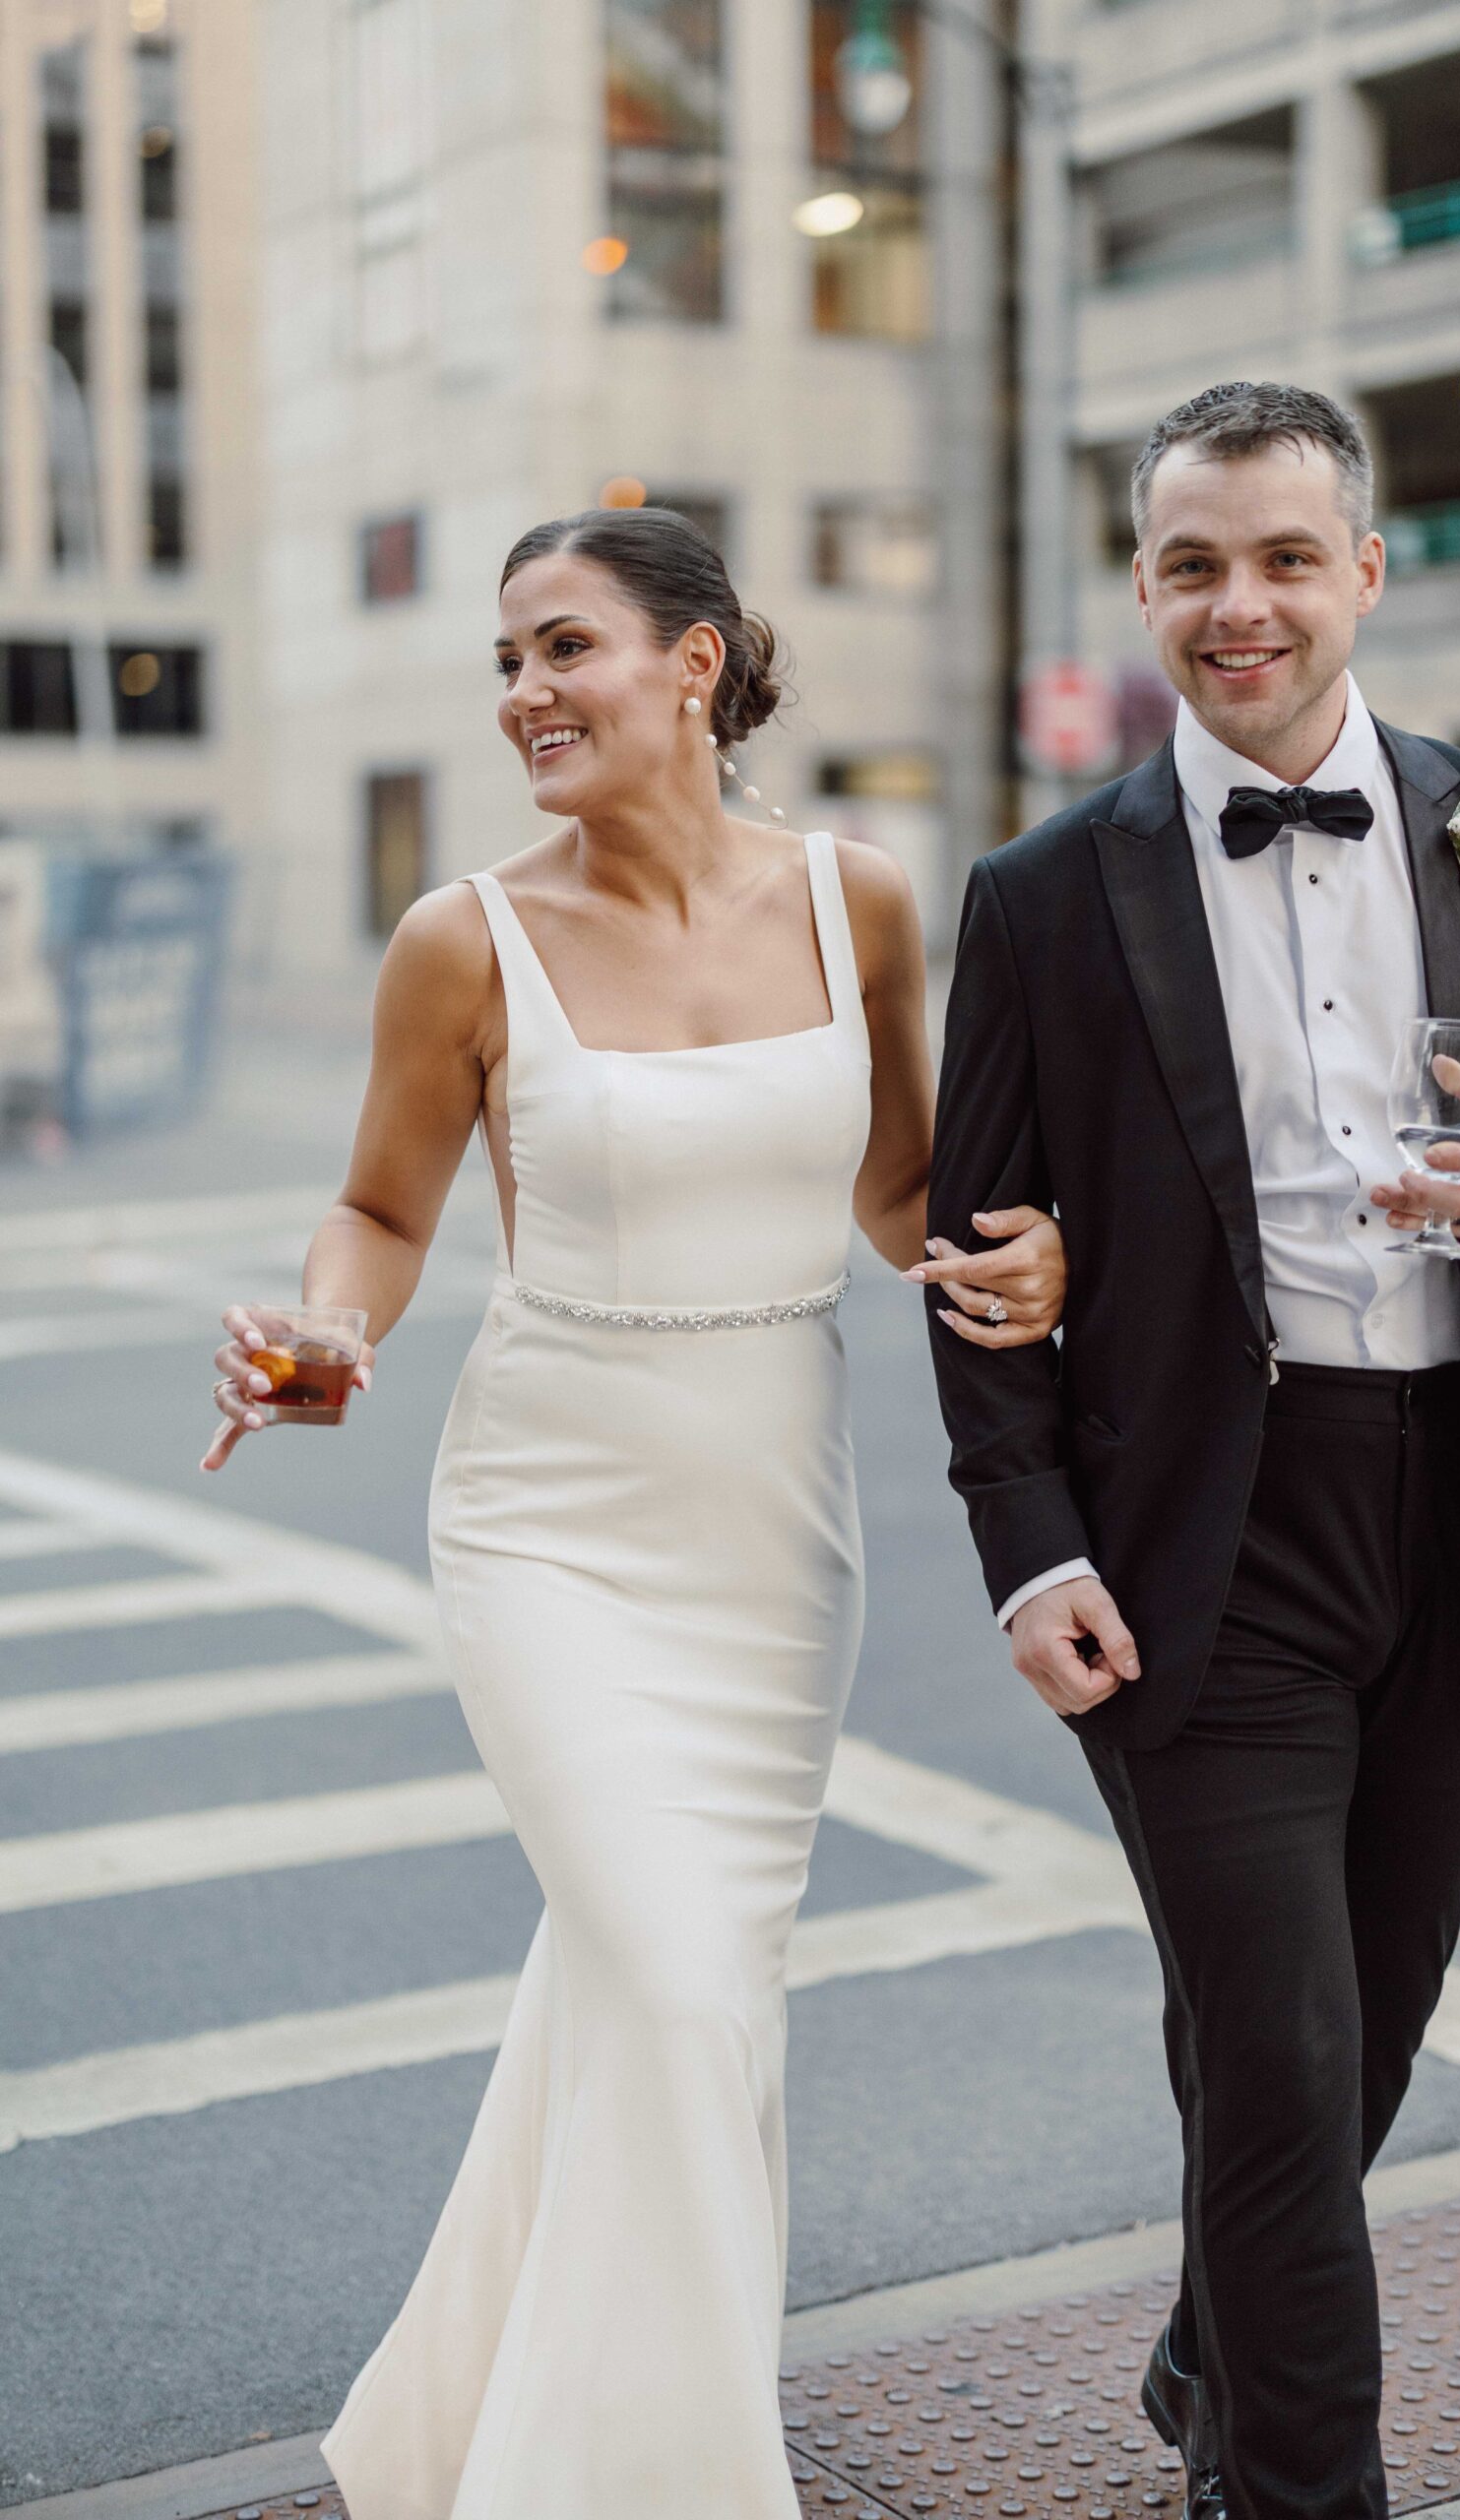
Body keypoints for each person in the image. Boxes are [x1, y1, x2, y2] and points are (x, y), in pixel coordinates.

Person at [201, 505, 1067, 2519]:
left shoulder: (857, 900)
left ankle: (464, 2433)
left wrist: (1007, 1262)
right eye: (506, 659)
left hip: (775, 1534)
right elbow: (385, 1209)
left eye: (563, 645)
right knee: (675, 1991)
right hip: (552, 1517)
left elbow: (899, 1185)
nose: (522, 693)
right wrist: (321, 1335)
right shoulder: (465, 936)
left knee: (659, 1994)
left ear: (696, 660)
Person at [919, 381, 1460, 2520]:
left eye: (1276, 556)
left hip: (1456, 1501)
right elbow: (969, 1251)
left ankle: (1208, 2353)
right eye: (1186, 563)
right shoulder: (1046, 892)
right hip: (1197, 1539)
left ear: (1358, 566)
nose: (1233, 605)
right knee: (1273, 2050)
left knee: (1375, 2023)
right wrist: (1023, 1540)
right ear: (1141, 585)